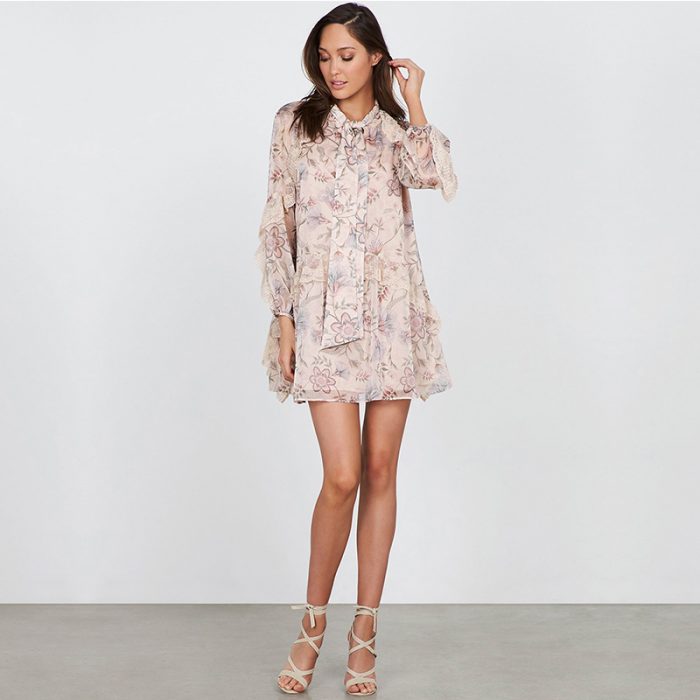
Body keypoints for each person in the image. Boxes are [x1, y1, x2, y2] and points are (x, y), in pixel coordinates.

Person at [254, 3, 458, 695]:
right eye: (324, 56)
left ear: (375, 56)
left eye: (346, 55)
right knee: (341, 477)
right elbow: (277, 221)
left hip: (391, 317)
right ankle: (312, 625)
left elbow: (433, 176)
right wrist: (283, 319)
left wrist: (415, 99)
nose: (333, 69)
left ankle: (364, 632)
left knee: (379, 469)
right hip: (320, 320)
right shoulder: (294, 124)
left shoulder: (396, 133)